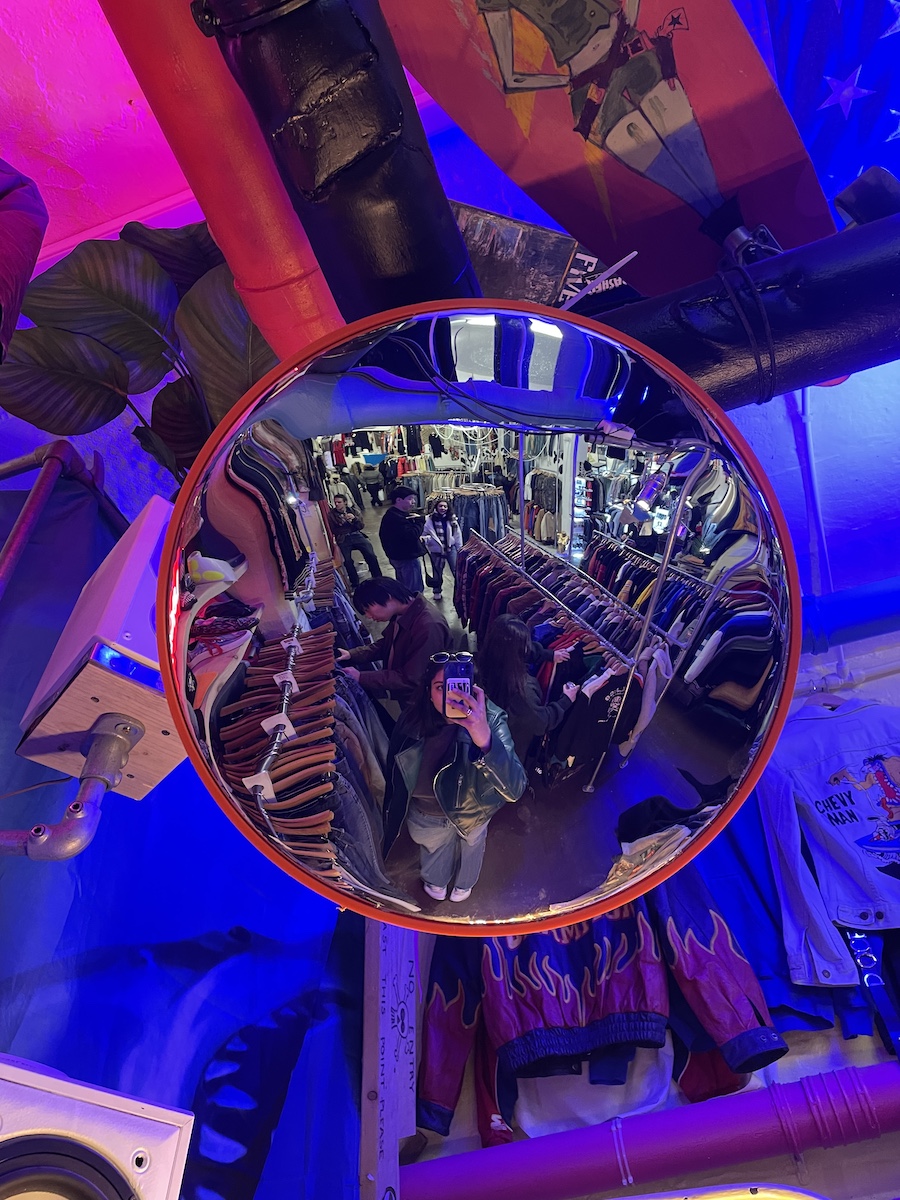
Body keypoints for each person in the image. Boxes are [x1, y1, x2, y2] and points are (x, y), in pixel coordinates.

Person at [383, 656, 527, 902]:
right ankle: (436, 883)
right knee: (433, 850)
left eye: (460, 687)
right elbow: (394, 774)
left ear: (474, 690)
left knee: (472, 849)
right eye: (441, 687)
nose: (452, 696)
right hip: (426, 815)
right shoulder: (412, 720)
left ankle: (464, 884)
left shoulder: (491, 720)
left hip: (474, 811)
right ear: (429, 692)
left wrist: (484, 740)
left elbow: (515, 789)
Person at [477, 615, 580, 764]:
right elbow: (541, 723)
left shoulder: (484, 660)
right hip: (512, 745)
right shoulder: (522, 688)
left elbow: (518, 649)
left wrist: (549, 655)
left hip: (487, 731)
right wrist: (566, 700)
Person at [337, 577, 451, 706]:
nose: (368, 616)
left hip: (423, 701)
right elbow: (387, 644)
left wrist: (361, 677)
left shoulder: (428, 626)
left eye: (368, 609)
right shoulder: (403, 613)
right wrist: (352, 654)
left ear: (388, 596)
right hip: (411, 696)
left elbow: (412, 677)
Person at [379, 485, 426, 594]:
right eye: (410, 499)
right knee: (414, 590)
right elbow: (412, 535)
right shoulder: (397, 518)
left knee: (404, 587)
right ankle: (414, 609)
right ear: (399, 500)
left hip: (398, 557)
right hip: (406, 559)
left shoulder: (392, 514)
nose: (413, 502)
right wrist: (420, 521)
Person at [328, 494, 382, 588]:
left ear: (345, 502)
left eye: (339, 502)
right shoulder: (332, 514)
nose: (337, 504)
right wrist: (343, 523)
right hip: (343, 538)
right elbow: (334, 530)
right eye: (335, 502)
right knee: (347, 561)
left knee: (371, 554)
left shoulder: (353, 511)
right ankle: (355, 583)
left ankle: (378, 577)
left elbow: (361, 526)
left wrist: (354, 519)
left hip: (356, 535)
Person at [422, 498, 463, 601]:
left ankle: (460, 590)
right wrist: (428, 540)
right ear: (436, 507)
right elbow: (424, 534)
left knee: (456, 570)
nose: (443, 508)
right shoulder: (429, 519)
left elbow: (457, 535)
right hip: (436, 550)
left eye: (445, 506)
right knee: (437, 571)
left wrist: (460, 548)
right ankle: (437, 591)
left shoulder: (452, 519)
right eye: (440, 506)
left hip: (450, 548)